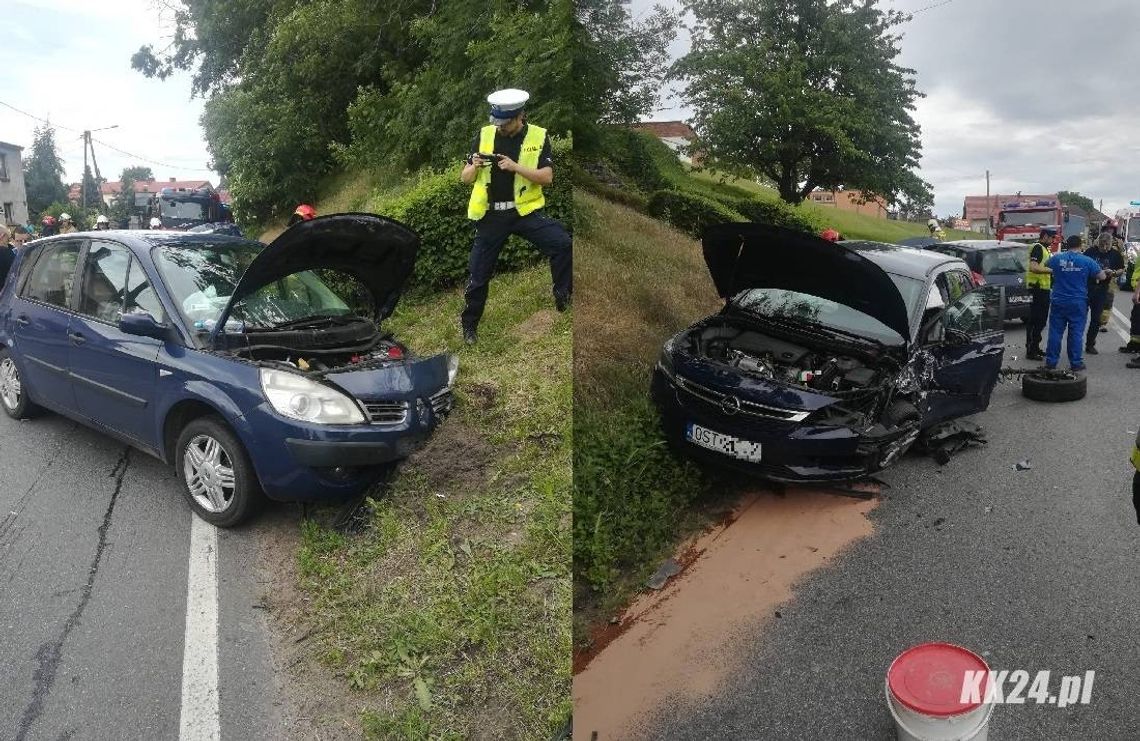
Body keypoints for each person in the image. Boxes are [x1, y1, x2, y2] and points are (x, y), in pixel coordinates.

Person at [459, 88, 571, 345]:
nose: (500, 127)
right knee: (478, 275)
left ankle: (563, 298)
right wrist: (472, 167)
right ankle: (469, 327)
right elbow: (464, 178)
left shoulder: (538, 136)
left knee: (562, 243)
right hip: (491, 217)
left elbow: (547, 178)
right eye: (496, 122)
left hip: (524, 213)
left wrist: (515, 166)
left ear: (520, 116)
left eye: (505, 123)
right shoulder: (484, 134)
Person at [1042, 235, 1106, 371]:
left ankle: (1051, 362)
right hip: (1078, 301)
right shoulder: (1087, 260)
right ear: (1080, 245)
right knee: (1076, 333)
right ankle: (1076, 363)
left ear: (1067, 245)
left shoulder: (1057, 258)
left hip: (1058, 300)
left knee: (1055, 332)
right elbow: (1102, 276)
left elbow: (1046, 266)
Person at [1082, 232, 1123, 355]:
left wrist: (1114, 273)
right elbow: (1081, 266)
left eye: (1107, 245)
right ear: (1097, 243)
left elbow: (1121, 269)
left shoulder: (1115, 254)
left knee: (1096, 319)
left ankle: (1090, 344)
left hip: (1102, 289)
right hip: (1087, 288)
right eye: (1102, 245)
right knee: (1080, 317)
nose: (1104, 248)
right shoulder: (1090, 252)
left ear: (1111, 244)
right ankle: (1076, 343)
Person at [1024, 227, 1056, 360]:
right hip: (1037, 289)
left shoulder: (1044, 249)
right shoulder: (1038, 247)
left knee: (1040, 321)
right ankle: (1031, 350)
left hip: (1042, 289)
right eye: (1052, 237)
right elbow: (1033, 267)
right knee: (1036, 320)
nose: (1053, 240)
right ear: (1045, 236)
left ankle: (1035, 347)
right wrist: (1051, 270)